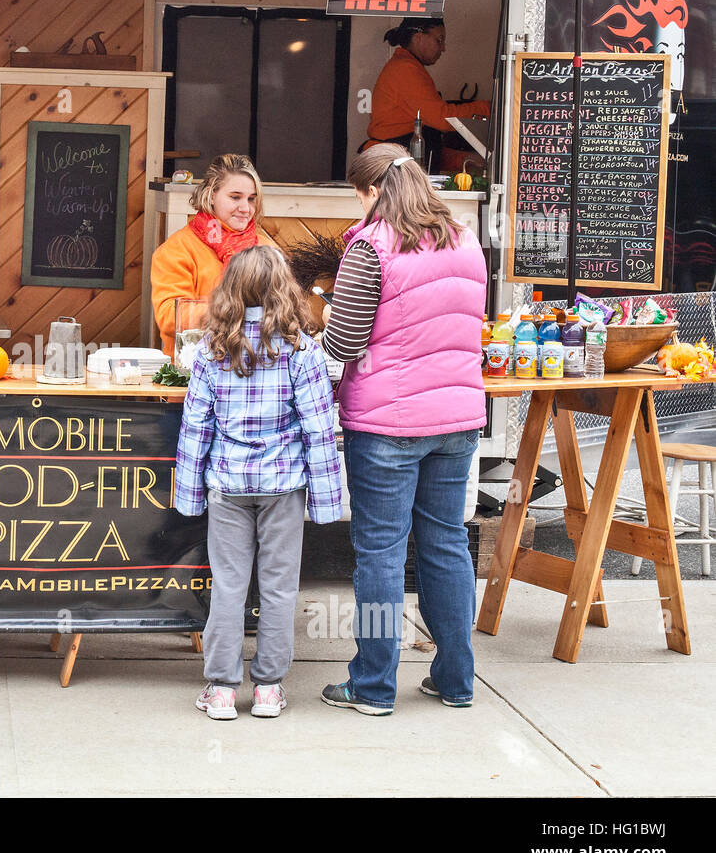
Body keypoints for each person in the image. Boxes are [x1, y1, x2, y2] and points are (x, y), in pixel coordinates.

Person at [319, 143, 486, 716]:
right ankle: (457, 680)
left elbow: (344, 342)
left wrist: (321, 324)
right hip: (459, 420)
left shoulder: (371, 247)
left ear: (370, 192)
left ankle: (372, 686)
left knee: (381, 555)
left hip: (387, 423)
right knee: (446, 545)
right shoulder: (465, 239)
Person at [175, 245, 342, 721]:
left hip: (227, 484)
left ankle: (222, 690)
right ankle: (268, 688)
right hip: (283, 486)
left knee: (227, 585)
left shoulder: (211, 349)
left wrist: (188, 495)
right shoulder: (303, 350)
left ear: (230, 290)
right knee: (279, 587)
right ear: (283, 290)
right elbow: (318, 427)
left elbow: (196, 426)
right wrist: (328, 503)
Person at [150, 154, 278, 356]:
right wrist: (237, 308)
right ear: (211, 195)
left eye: (252, 199)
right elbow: (169, 317)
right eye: (235, 197)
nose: (245, 208)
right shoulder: (176, 249)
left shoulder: (268, 249)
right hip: (193, 370)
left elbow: (286, 310)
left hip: (259, 370)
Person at [363, 18, 490, 173]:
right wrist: (488, 108)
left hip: (398, 163)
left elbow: (426, 147)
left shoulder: (408, 66)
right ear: (419, 38)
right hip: (392, 168)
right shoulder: (405, 69)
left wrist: (463, 160)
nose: (443, 48)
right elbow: (442, 118)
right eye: (439, 40)